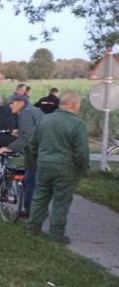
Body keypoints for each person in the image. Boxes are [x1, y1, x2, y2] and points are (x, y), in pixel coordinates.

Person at [27, 93, 89, 244]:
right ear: (74, 105)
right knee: (61, 201)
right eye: (79, 104)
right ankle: (56, 235)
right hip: (65, 168)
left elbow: (32, 143)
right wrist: (83, 169)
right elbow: (81, 152)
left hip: (43, 165)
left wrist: (36, 159)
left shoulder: (44, 119)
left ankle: (32, 229)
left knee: (39, 197)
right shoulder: (78, 124)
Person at [0, 95, 44, 215]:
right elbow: (34, 130)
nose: (10, 105)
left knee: (29, 183)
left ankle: (30, 212)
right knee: (33, 183)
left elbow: (27, 137)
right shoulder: (34, 110)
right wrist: (19, 132)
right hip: (43, 151)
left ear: (21, 102)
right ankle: (38, 210)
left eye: (12, 103)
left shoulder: (25, 113)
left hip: (35, 153)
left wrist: (8, 148)